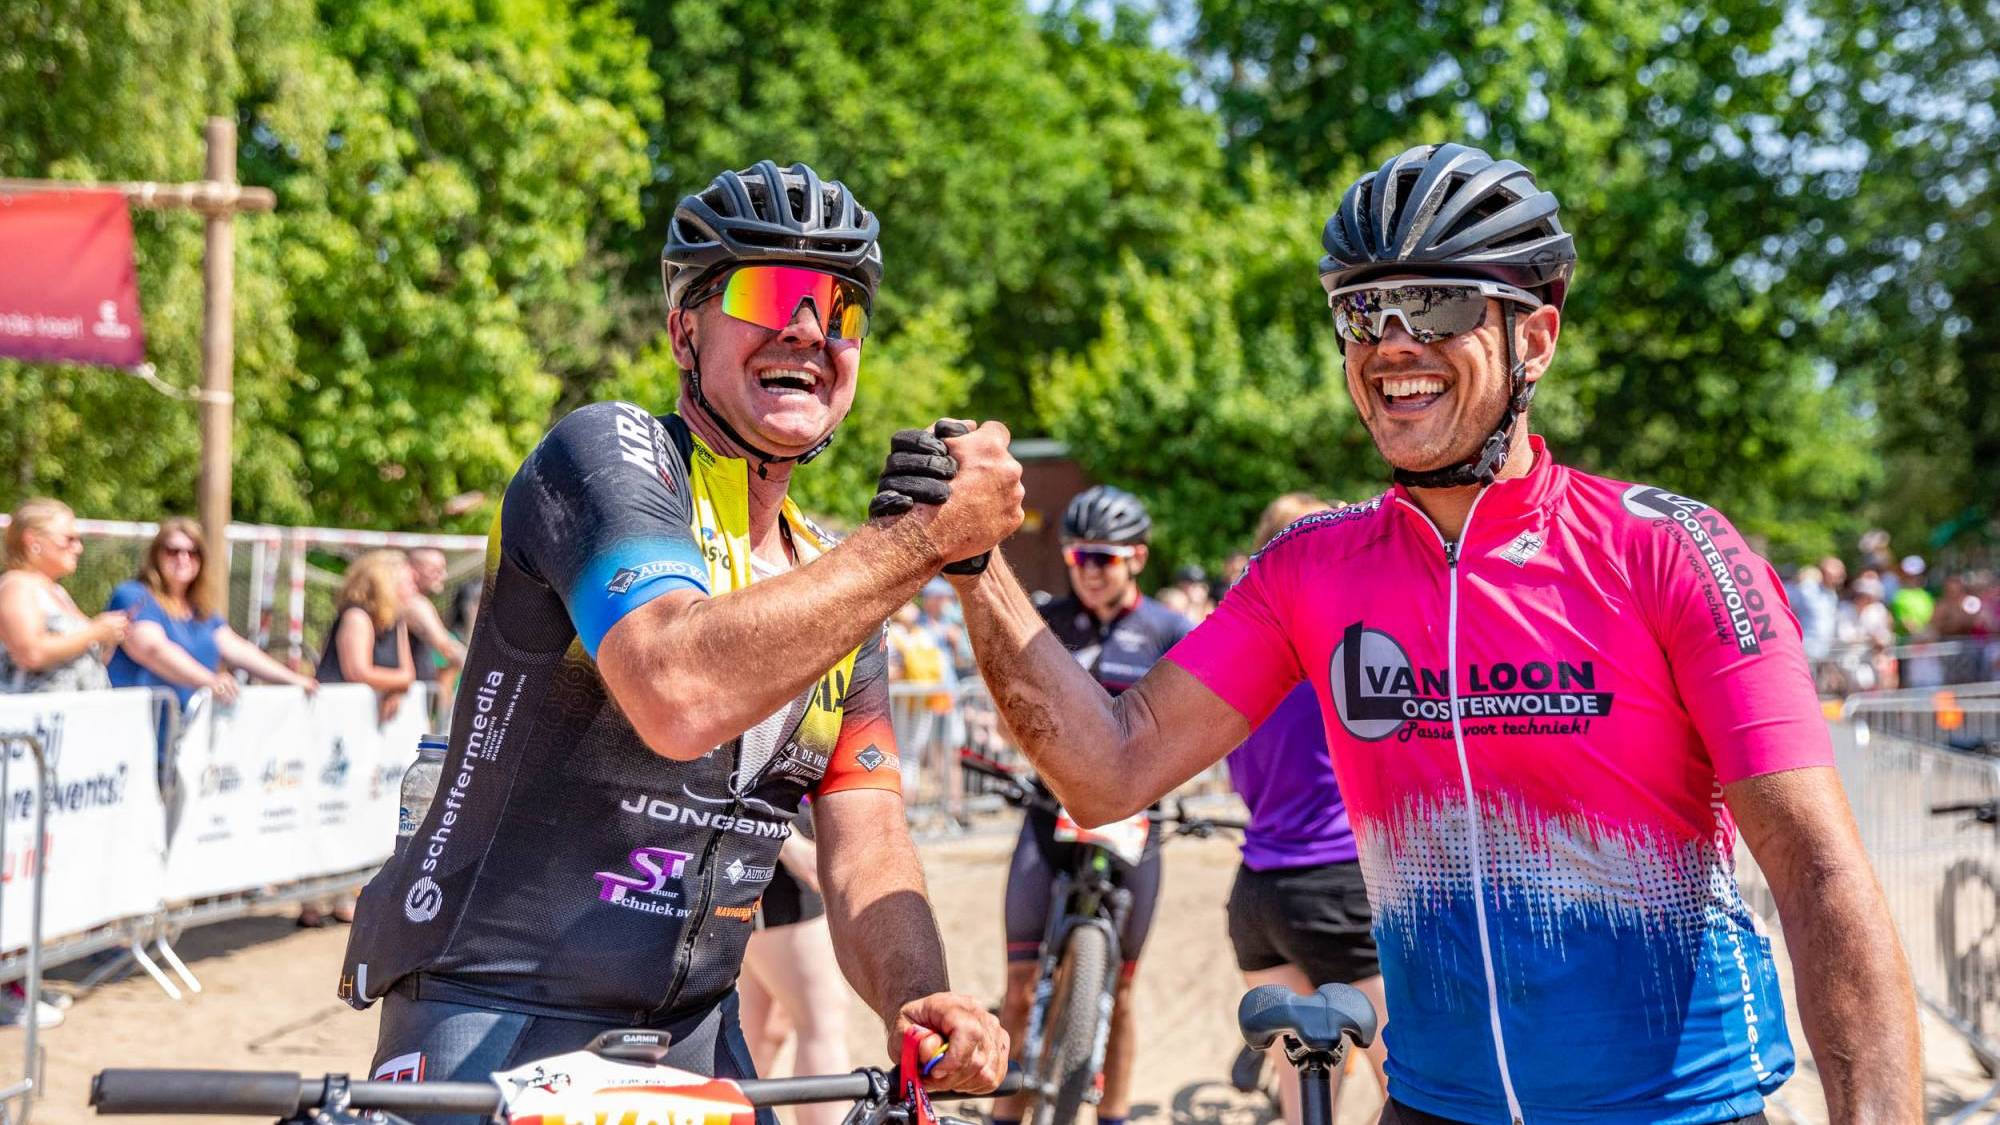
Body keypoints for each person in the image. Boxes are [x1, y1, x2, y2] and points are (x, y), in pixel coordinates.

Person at [929, 143, 1918, 1123]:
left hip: (1672, 1108)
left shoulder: (1667, 549)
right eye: (1362, 312)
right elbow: (1109, 770)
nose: (1393, 342)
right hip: (1434, 1105)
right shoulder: (1308, 567)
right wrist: (976, 565)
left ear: (1535, 338)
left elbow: (1818, 873)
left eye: (1437, 305)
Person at [337, 160, 1014, 1112]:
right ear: (683, 331)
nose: (807, 330)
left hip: (693, 1028)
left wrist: (919, 993)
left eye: (841, 308)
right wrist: (919, 542)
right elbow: (676, 689)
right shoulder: (606, 458)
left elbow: (867, 838)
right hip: (490, 1008)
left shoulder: (835, 579)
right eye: (769, 293)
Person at [988, 485, 1191, 1125]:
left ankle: (1115, 1116)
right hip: (1050, 814)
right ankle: (1005, 1115)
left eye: (1103, 558)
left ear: (1138, 557)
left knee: (1122, 994)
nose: (1089, 571)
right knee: (1019, 990)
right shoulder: (1047, 620)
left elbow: (1196, 723)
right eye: (1078, 557)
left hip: (1135, 820)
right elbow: (1010, 705)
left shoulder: (1168, 630)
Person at [1223, 493, 1387, 1125]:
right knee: (1410, 1084)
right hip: (1335, 886)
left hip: (1259, 894)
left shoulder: (1238, 651)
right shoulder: (1332, 645)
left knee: (1304, 1095)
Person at [107, 517, 316, 708]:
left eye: (193, 552)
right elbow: (153, 650)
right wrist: (211, 681)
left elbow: (240, 650)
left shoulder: (200, 610)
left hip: (191, 728)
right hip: (138, 730)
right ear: (156, 555)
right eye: (173, 551)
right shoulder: (133, 596)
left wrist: (295, 680)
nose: (183, 558)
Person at [736, 805, 851, 1125]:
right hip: (774, 848)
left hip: (780, 835)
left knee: (766, 1025)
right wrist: (789, 842)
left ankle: (723, 1113)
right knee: (824, 1014)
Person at [0, 499, 125, 694]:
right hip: (40, 711)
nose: (78, 548)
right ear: (32, 540)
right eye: (69, 539)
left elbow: (80, 653)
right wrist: (95, 632)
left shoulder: (57, 592)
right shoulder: (17, 585)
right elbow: (31, 653)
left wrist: (107, 637)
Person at [316, 549, 418, 725]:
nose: (414, 589)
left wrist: (395, 689)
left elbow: (408, 675)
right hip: (336, 714)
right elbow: (358, 673)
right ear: (386, 585)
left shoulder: (396, 622)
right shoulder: (356, 617)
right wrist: (397, 683)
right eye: (408, 583)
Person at [404, 548, 467, 710]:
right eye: (435, 570)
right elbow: (447, 647)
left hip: (414, 695)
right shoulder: (414, 604)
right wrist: (483, 674)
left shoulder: (413, 602)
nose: (443, 575)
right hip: (408, 699)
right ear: (413, 570)